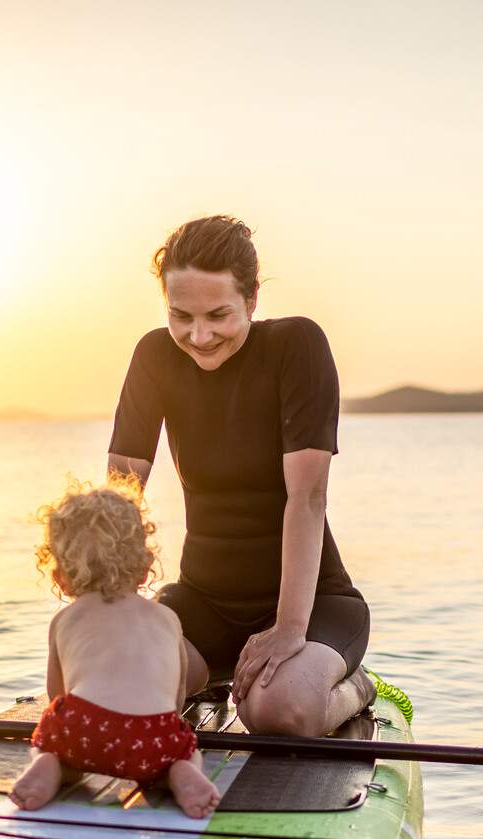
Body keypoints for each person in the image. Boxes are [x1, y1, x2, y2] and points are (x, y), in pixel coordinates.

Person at [107, 215, 373, 738]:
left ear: (252, 300)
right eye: (180, 316)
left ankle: (353, 685)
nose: (198, 335)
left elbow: (308, 497)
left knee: (276, 713)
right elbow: (119, 495)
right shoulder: (155, 356)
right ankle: (211, 678)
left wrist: (288, 630)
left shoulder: (295, 346)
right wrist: (111, 603)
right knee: (122, 682)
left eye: (218, 315)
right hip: (202, 603)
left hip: (314, 604)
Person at [9, 480, 221, 818]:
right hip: (154, 734)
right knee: (181, 751)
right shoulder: (166, 618)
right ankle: (180, 772)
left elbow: (57, 698)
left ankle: (51, 766)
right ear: (145, 564)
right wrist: (155, 734)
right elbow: (176, 697)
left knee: (56, 744)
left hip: (84, 728)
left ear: (61, 575)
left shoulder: (65, 620)